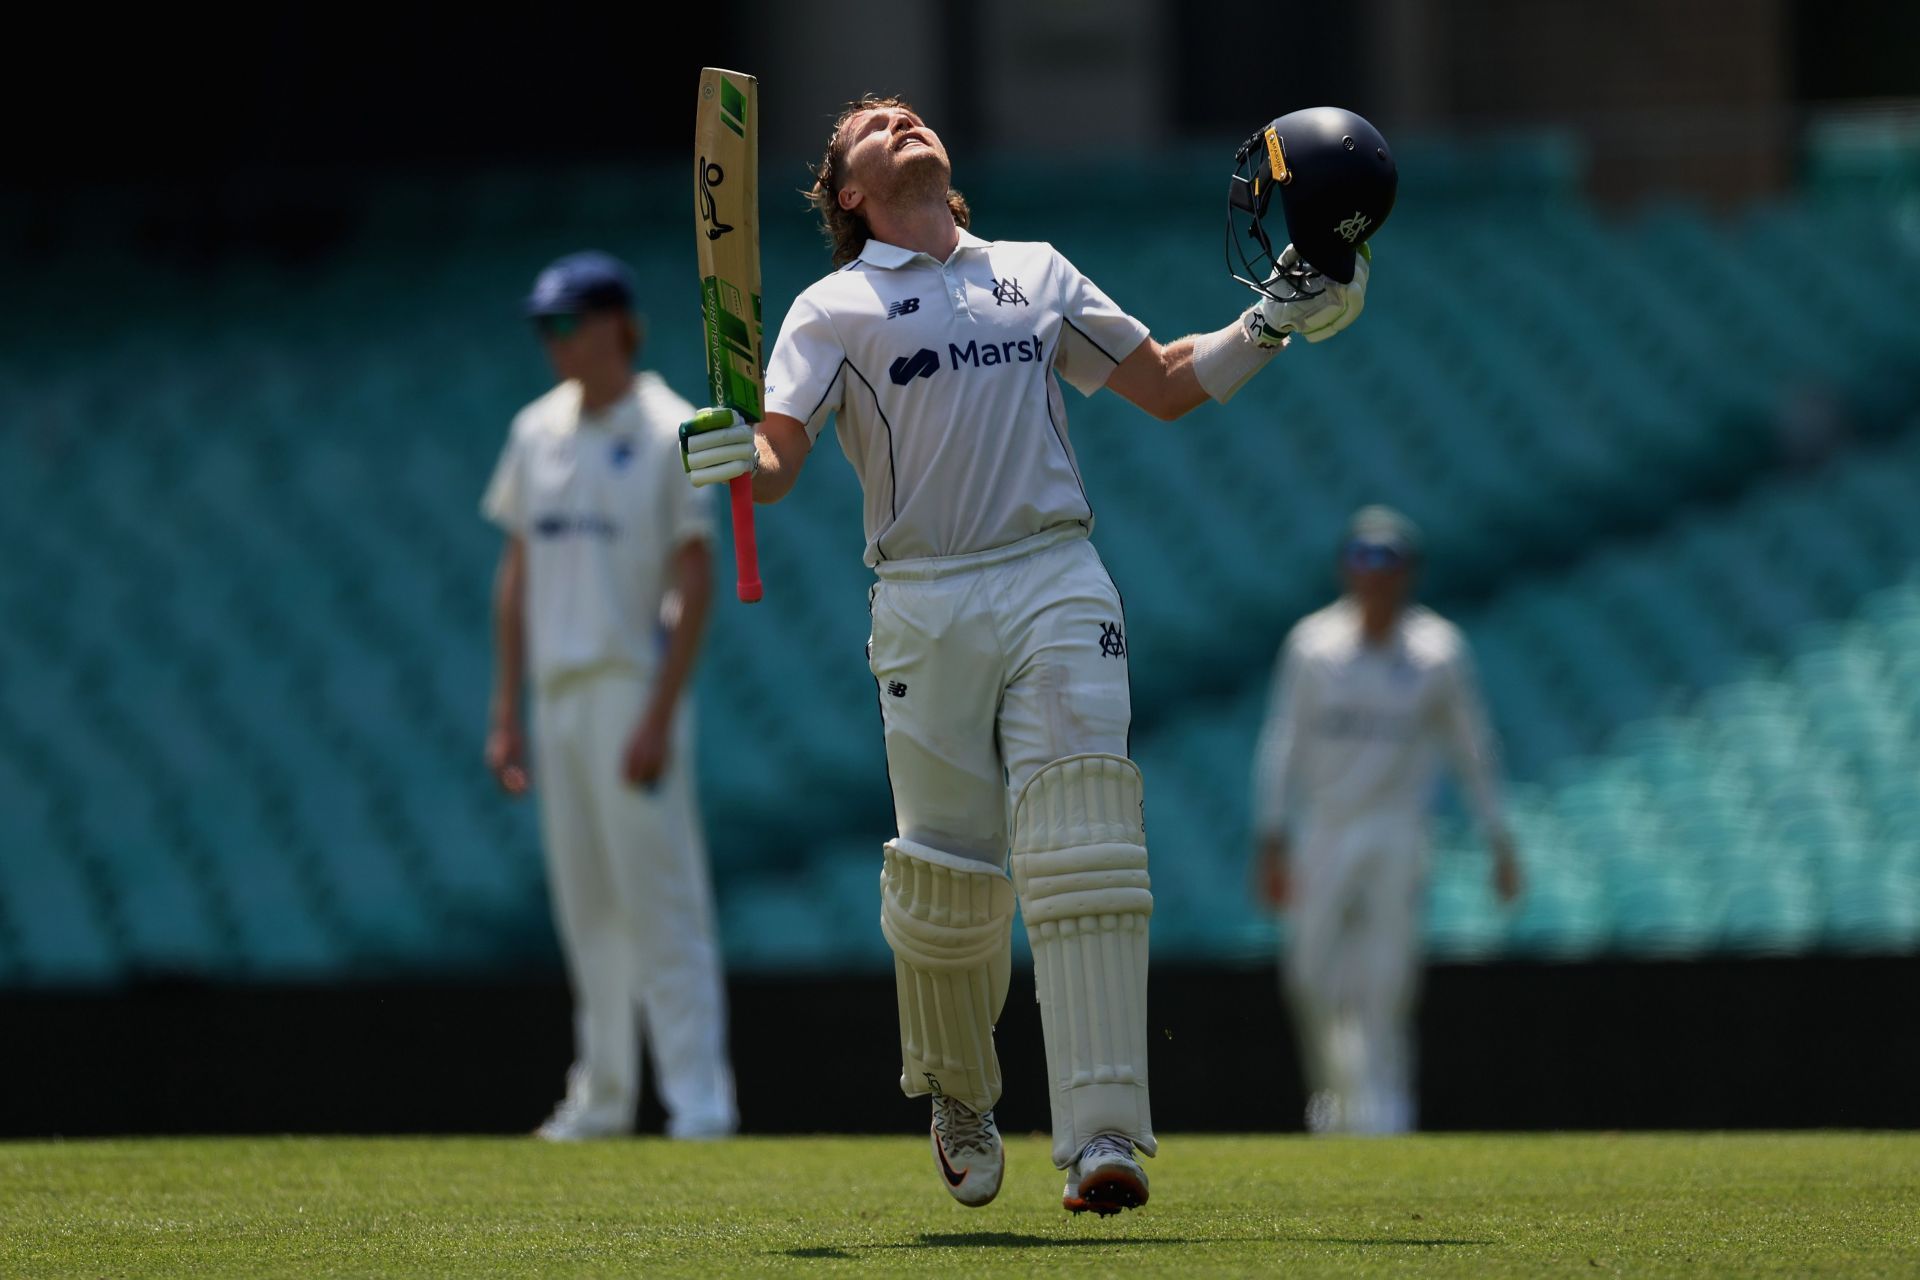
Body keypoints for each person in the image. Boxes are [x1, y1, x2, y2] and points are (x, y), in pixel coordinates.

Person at [680, 97, 1386, 1211]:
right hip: (921, 599)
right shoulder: (832, 305)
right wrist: (729, 448)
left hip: (1054, 574)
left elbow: (1158, 383)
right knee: (948, 886)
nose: (903, 121)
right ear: (848, 193)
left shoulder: (1034, 269)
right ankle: (960, 1092)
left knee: (1086, 834)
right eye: (875, 126)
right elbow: (778, 457)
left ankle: (1105, 1133)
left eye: (911, 114)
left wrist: (1273, 323)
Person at [483, 251, 738, 1141]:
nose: (552, 344)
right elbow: (516, 574)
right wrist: (506, 711)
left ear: (615, 327)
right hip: (557, 695)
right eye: (544, 328)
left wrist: (662, 711)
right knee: (586, 902)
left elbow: (696, 576)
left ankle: (700, 1103)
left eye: (566, 324)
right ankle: (603, 1094)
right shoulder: (533, 431)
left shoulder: (673, 425)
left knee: (661, 896)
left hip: (633, 686)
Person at [1251, 505, 1522, 1135]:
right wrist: (1271, 837)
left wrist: (1499, 837)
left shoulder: (1438, 652)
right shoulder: (1313, 646)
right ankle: (1331, 1103)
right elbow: (1282, 742)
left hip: (1398, 828)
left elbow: (1472, 747)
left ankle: (1386, 1119)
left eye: (1388, 563)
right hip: (1326, 827)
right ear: (1346, 569)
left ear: (1410, 573)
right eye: (1361, 561)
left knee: (1389, 979)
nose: (1374, 578)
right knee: (1309, 974)